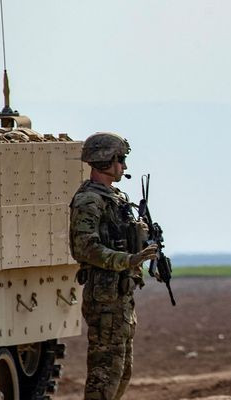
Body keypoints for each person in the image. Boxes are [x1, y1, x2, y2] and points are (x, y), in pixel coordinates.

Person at [69, 132, 159, 400]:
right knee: (104, 374)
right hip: (105, 296)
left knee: (121, 371)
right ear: (105, 160)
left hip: (120, 296)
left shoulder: (115, 198)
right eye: (121, 159)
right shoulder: (90, 200)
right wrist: (127, 260)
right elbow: (84, 247)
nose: (124, 167)